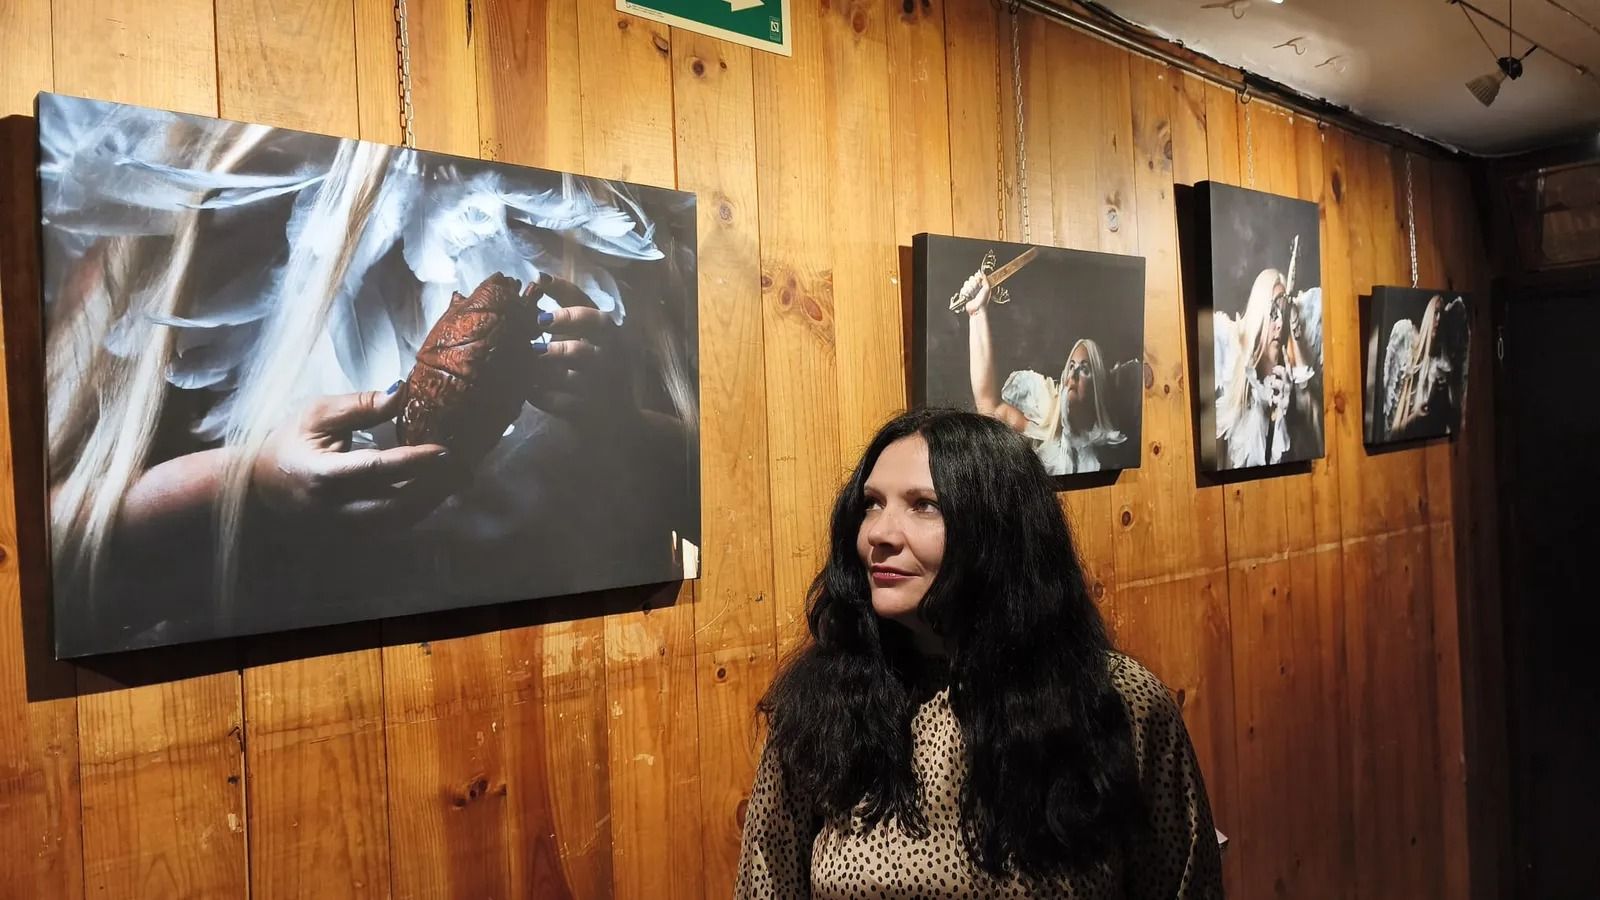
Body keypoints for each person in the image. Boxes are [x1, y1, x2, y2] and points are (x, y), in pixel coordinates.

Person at [38, 94, 697, 652]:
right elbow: (38, 563)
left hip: (574, 688)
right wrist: (248, 488)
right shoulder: (186, 206)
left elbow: (736, 517)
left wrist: (625, 435)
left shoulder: (621, 222)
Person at [736, 409, 1223, 898]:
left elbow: (1182, 884)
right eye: (872, 504)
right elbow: (766, 882)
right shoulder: (822, 708)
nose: (879, 533)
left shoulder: (1115, 701)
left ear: (998, 531)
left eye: (924, 505)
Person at [959, 268, 1131, 475]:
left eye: (1084, 369)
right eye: (1071, 367)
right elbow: (988, 405)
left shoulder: (1110, 452)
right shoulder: (1043, 429)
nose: (1072, 376)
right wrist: (977, 313)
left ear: (1097, 387)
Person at [1212, 266, 1321, 468]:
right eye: (1273, 313)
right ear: (1259, 316)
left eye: (1284, 314)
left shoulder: (1298, 389)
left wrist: (1291, 412)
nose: (1280, 323)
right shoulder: (1235, 381)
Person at [1381, 294, 1469, 441]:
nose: (1439, 319)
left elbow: (1454, 422)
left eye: (1442, 315)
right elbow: (1395, 432)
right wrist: (1415, 417)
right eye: (1435, 313)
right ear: (1429, 316)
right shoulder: (1412, 354)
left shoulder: (1444, 366)